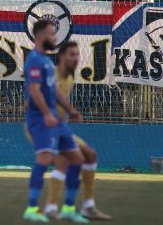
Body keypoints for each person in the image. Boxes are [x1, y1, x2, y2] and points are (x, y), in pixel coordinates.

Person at [22, 19, 86, 223]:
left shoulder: (47, 61)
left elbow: (54, 90)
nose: (55, 38)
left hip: (55, 118)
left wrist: (70, 109)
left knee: (76, 159)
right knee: (45, 158)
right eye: (52, 34)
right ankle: (32, 208)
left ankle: (68, 207)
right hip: (41, 118)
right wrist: (48, 114)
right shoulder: (33, 60)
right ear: (40, 37)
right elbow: (34, 91)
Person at [43, 42, 111, 221]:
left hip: (59, 127)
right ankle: (56, 207)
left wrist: (70, 112)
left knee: (89, 156)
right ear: (62, 57)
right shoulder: (51, 75)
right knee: (65, 161)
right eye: (72, 54)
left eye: (77, 55)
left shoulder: (70, 79)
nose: (76, 58)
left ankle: (86, 206)